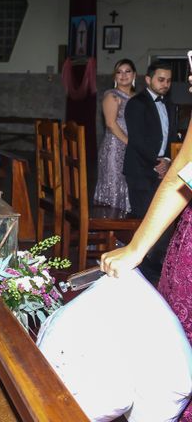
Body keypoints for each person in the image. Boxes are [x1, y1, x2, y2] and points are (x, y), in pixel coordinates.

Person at [101, 77, 192, 422]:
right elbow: (182, 175)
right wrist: (136, 248)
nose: (187, 80)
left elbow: (180, 174)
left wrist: (137, 249)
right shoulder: (137, 103)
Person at [123, 61, 177, 283]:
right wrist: (158, 162)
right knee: (147, 220)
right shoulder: (137, 104)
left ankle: (157, 271)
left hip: (163, 169)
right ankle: (144, 273)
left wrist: (168, 160)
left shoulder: (170, 105)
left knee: (165, 219)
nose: (165, 84)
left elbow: (172, 137)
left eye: (168, 80)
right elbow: (137, 140)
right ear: (148, 79)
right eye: (160, 79)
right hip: (141, 171)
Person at [93, 59, 136, 213]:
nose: (123, 75)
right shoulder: (111, 96)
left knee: (128, 186)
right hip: (114, 148)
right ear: (114, 77)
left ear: (134, 75)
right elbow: (111, 124)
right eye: (119, 72)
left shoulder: (138, 98)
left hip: (131, 149)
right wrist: (131, 144)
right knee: (114, 185)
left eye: (127, 71)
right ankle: (108, 230)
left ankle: (123, 231)